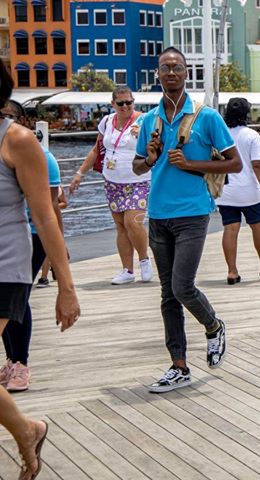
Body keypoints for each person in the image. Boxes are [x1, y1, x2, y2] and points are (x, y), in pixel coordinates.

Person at [133, 48, 242, 393]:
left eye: (176, 68)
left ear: (185, 73)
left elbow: (234, 163)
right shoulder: (149, 120)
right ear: (157, 75)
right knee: (167, 295)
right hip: (159, 214)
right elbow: (137, 165)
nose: (171, 73)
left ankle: (213, 326)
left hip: (193, 212)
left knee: (182, 286)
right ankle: (179, 365)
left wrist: (192, 165)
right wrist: (149, 158)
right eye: (165, 68)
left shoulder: (206, 117)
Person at [0, 61, 80, 478]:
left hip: (4, 266)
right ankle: (27, 430)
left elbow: (45, 217)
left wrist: (65, 286)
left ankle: (28, 431)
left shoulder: (17, 140)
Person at [69, 86, 153, 285]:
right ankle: (127, 270)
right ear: (113, 104)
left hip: (138, 180)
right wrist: (80, 173)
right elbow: (96, 150)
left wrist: (144, 137)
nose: (125, 107)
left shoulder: (145, 120)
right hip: (112, 180)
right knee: (121, 226)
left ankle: (144, 260)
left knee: (134, 222)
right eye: (121, 103)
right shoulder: (107, 121)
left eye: (129, 103)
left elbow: (157, 146)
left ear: (134, 102)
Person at [216, 98, 260, 286]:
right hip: (248, 191)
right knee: (257, 227)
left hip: (225, 190)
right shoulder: (251, 135)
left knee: (230, 229)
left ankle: (232, 272)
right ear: (246, 113)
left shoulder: (221, 134)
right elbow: (257, 165)